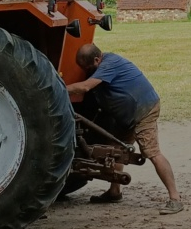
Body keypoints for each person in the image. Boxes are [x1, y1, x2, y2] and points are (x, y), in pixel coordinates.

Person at [64, 43, 182, 214]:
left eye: (88, 67)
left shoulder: (109, 64)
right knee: (116, 149)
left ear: (97, 59)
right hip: (126, 115)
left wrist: (59, 88)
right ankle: (114, 192)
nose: (87, 71)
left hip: (144, 110)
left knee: (152, 153)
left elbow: (85, 87)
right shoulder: (103, 63)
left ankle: (175, 198)